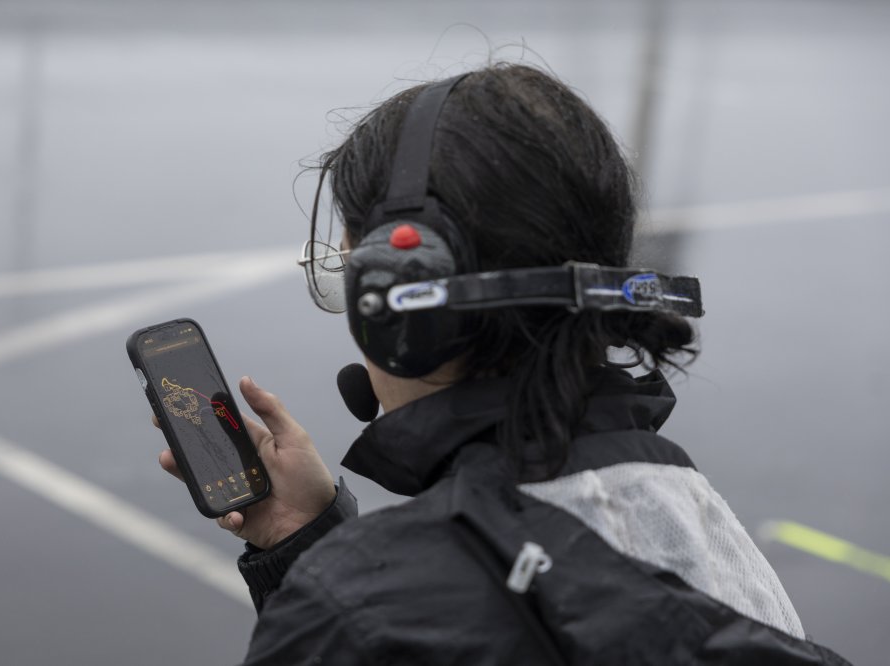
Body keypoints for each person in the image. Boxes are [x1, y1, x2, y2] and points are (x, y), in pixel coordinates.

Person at [156, 64, 850, 664]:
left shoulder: (356, 613)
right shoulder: (701, 528)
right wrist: (303, 541)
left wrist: (334, 587)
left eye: (351, 269)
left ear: (396, 305)